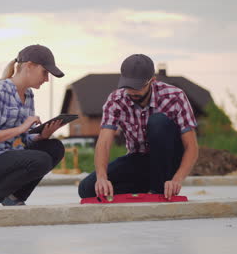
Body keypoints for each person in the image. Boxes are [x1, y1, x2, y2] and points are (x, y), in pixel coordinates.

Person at [78, 54, 199, 200]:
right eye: (128, 85)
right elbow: (104, 142)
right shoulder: (116, 100)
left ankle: (159, 189)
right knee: (87, 189)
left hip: (169, 161)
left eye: (137, 86)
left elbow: (191, 147)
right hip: (139, 160)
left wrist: (177, 179)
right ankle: (147, 187)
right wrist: (102, 177)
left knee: (158, 121)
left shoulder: (175, 96)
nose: (132, 91)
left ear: (152, 81)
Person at [0, 44, 66, 207]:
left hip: (7, 154)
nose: (47, 79)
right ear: (30, 66)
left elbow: (22, 140)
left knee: (54, 148)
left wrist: (40, 136)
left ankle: (12, 196)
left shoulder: (29, 95)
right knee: (41, 160)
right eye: (45, 72)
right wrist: (20, 128)